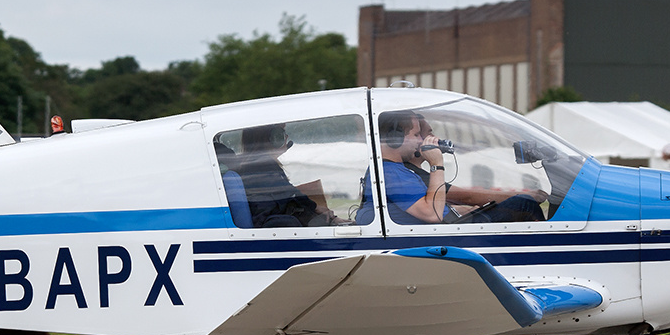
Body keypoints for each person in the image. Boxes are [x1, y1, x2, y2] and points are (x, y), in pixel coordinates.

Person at [372, 111, 547, 224]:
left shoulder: (399, 171)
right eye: (419, 135)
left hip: (451, 227)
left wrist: (462, 209)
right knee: (525, 204)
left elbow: (440, 206)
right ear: (395, 136)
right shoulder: (392, 173)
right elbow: (434, 213)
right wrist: (436, 164)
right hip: (449, 236)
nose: (421, 140)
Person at [231, 124, 334, 228]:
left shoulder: (255, 165)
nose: (286, 137)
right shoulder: (261, 166)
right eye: (281, 133)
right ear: (271, 138)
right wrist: (315, 207)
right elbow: (289, 193)